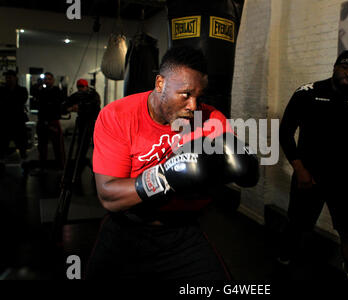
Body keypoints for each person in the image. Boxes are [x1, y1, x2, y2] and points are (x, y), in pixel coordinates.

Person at [86, 46, 259, 279]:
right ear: (160, 84)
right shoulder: (117, 115)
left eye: (199, 96)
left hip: (182, 233)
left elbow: (242, 169)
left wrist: (242, 164)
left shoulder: (210, 118)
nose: (193, 106)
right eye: (186, 94)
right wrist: (165, 178)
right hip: (126, 232)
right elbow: (108, 195)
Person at [279, 50, 348, 280]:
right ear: (335, 67)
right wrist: (300, 169)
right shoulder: (308, 92)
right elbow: (285, 133)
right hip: (309, 175)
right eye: (345, 68)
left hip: (343, 179)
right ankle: (282, 264)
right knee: (296, 225)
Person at [63, 78, 101, 184]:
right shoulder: (78, 95)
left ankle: (96, 168)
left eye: (82, 87)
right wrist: (69, 107)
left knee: (95, 146)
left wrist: (79, 107)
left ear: (86, 86)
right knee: (81, 146)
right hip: (82, 123)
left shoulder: (93, 95)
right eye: (79, 87)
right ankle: (79, 166)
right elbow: (67, 102)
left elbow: (95, 106)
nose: (81, 89)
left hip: (93, 123)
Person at [34, 72, 65, 173]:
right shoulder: (40, 91)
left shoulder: (57, 91)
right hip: (42, 121)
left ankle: (60, 167)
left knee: (58, 146)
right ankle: (42, 167)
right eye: (45, 79)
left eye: (49, 79)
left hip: (53, 121)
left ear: (53, 80)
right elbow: (39, 103)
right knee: (42, 146)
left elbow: (57, 104)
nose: (47, 81)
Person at [0, 70, 28, 163]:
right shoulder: (2, 90)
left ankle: (24, 167)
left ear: (15, 78)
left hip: (18, 122)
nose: (8, 79)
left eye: (10, 77)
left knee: (22, 146)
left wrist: (8, 102)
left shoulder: (22, 90)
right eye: (7, 78)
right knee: (3, 146)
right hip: (6, 122)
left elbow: (20, 101)